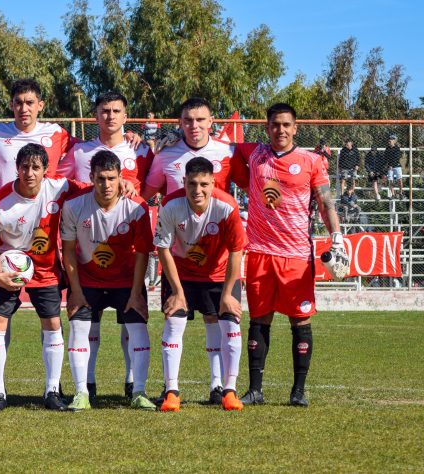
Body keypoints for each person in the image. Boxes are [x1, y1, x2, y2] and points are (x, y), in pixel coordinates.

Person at [232, 103, 347, 407]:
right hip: (260, 252)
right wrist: (172, 138)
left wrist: (336, 236)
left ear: (295, 128)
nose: (280, 130)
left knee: (300, 320)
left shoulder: (311, 161)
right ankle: (255, 390)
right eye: (274, 124)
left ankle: (298, 391)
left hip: (296, 255)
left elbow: (325, 202)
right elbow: (219, 146)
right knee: (259, 319)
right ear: (266, 127)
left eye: (286, 125)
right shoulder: (254, 153)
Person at [141, 97, 246, 405]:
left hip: (217, 265)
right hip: (181, 264)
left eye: (201, 120)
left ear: (212, 122)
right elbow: (145, 193)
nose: (194, 126)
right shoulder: (165, 156)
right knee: (175, 319)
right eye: (188, 120)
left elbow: (253, 181)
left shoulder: (228, 154)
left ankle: (223, 387)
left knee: (222, 320)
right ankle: (171, 389)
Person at [57, 91, 152, 402]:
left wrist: (133, 191)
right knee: (87, 326)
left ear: (126, 116)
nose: (110, 116)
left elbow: (154, 184)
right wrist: (90, 191)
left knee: (131, 325)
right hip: (89, 250)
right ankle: (85, 388)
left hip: (124, 251)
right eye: (104, 111)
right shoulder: (78, 151)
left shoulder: (141, 150)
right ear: (95, 115)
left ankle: (134, 386)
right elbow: (58, 182)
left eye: (116, 111)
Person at [0, 143, 85, 411]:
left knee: (52, 323)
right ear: (16, 168)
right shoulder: (1, 202)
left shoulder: (60, 187)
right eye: (24, 167)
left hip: (45, 269)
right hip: (7, 268)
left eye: (35, 167)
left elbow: (92, 191)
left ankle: (52, 390)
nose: (29, 173)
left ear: (45, 170)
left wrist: (124, 185)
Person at [154, 157, 247, 411]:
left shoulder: (226, 206)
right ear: (184, 182)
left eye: (204, 184)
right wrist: (177, 291)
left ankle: (228, 390)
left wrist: (227, 294)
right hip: (181, 274)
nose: (198, 190)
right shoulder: (170, 204)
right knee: (174, 321)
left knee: (230, 323)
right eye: (192, 183)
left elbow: (237, 250)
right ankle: (171, 391)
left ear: (213, 183)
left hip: (219, 275)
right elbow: (163, 248)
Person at [0, 78, 70, 192]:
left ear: (40, 105)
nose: (24, 109)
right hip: (4, 202)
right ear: (11, 105)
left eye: (29, 103)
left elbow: (84, 150)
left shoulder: (55, 132)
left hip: (45, 203)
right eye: (18, 103)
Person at [385, 134, 403, 198]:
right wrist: (387, 165)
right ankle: (393, 194)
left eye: (392, 139)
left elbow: (397, 158)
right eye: (389, 139)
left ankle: (401, 193)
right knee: (390, 180)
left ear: (394, 141)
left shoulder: (397, 148)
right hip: (390, 167)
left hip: (397, 166)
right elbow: (385, 158)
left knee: (399, 179)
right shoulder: (387, 149)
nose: (390, 140)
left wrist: (391, 165)